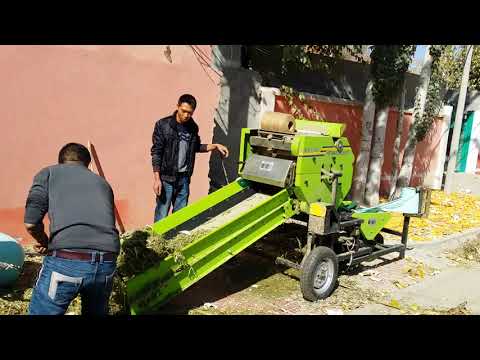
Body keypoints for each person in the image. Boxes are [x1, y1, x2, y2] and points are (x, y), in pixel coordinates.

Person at [24, 143, 120, 315]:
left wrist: (45, 241)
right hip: (107, 263)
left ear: (61, 161)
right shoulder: (103, 183)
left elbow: (31, 223)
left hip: (67, 261)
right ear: (88, 164)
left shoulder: (49, 173)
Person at [151, 94, 229, 222]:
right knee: (162, 215)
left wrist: (215, 146)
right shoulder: (163, 125)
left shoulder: (193, 127)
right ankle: (157, 240)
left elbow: (196, 147)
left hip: (184, 179)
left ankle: (175, 241)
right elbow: (156, 152)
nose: (186, 115)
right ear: (178, 107)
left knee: (180, 217)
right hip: (166, 178)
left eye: (190, 113)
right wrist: (157, 179)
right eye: (184, 111)